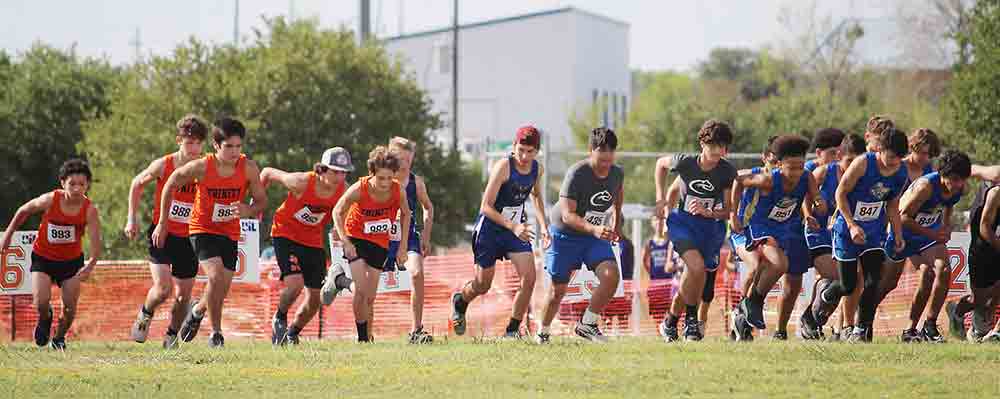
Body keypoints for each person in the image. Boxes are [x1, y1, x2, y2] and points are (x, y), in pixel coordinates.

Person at [153, 117, 269, 348]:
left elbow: (261, 200)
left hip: (230, 231)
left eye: (238, 146)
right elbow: (169, 185)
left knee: (221, 288)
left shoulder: (248, 168)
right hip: (202, 229)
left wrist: (248, 208)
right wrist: (163, 222)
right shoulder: (202, 166)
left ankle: (197, 311)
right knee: (215, 278)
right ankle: (216, 334)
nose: (234, 152)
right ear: (216, 146)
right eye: (228, 146)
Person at [808, 127, 910, 342]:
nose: (893, 163)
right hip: (847, 231)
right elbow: (840, 193)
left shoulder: (901, 172)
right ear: (880, 149)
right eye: (890, 157)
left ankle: (861, 330)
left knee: (874, 280)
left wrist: (897, 233)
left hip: (873, 233)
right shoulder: (863, 163)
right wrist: (852, 225)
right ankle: (825, 296)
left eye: (898, 158)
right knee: (848, 285)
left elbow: (892, 203)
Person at [453, 127, 549, 339]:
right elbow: (485, 206)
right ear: (514, 147)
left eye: (530, 152)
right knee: (482, 285)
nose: (524, 156)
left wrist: (544, 226)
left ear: (537, 151)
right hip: (490, 229)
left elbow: (536, 195)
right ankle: (460, 301)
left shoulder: (537, 169)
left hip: (515, 231)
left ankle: (512, 331)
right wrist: (513, 226)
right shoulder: (504, 167)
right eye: (521, 150)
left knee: (530, 277)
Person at [125, 115, 208, 349]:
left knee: (183, 297)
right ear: (178, 141)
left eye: (198, 143)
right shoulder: (164, 164)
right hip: (162, 232)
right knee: (163, 289)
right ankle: (145, 313)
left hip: (190, 238)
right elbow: (136, 184)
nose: (194, 148)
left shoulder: (204, 168)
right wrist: (131, 218)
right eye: (189, 142)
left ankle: (171, 336)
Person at [1, 159, 102, 350]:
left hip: (71, 263)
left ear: (88, 185)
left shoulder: (90, 210)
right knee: (40, 302)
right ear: (62, 183)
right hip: (43, 258)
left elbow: (96, 241)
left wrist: (91, 264)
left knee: (70, 309)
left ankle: (59, 338)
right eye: (72, 184)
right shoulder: (51, 199)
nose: (77, 189)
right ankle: (45, 318)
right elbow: (24, 211)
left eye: (82, 184)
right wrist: (8, 234)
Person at [729, 135, 823, 341]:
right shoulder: (767, 180)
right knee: (778, 264)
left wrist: (816, 207)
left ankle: (755, 307)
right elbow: (737, 180)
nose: (796, 172)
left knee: (792, 275)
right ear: (779, 165)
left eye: (800, 166)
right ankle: (752, 303)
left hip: (789, 230)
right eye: (791, 167)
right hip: (762, 227)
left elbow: (815, 196)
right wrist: (733, 214)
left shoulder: (807, 177)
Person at [536, 127, 624, 344]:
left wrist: (617, 219)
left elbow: (618, 194)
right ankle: (543, 332)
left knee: (611, 275)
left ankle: (587, 324)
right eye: (600, 159)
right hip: (565, 235)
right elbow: (567, 215)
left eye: (609, 159)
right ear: (590, 151)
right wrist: (594, 228)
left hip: (592, 237)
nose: (605, 165)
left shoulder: (617, 173)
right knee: (557, 291)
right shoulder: (577, 173)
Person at [654, 119, 737, 342]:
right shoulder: (685, 162)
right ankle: (691, 321)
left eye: (723, 146)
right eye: (713, 145)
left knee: (695, 275)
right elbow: (660, 165)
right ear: (702, 143)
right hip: (682, 223)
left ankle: (670, 321)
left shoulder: (727, 171)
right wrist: (660, 199)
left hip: (711, 229)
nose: (718, 151)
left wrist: (708, 212)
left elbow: (729, 210)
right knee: (696, 267)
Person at [262, 147, 353, 345]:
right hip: (285, 233)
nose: (339, 177)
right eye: (335, 171)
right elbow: (267, 172)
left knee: (315, 299)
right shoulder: (301, 181)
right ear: (322, 169)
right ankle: (279, 316)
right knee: (295, 284)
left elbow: (348, 212)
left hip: (312, 240)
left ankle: (293, 333)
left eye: (344, 172)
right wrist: (257, 203)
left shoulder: (344, 190)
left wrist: (341, 229)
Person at [884, 149, 970, 342]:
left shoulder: (959, 188)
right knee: (886, 285)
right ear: (942, 175)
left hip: (927, 233)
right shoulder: (926, 187)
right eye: (954, 179)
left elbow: (949, 204)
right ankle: (860, 323)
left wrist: (946, 226)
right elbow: (903, 217)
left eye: (962, 179)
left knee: (942, 269)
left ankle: (926, 326)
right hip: (902, 232)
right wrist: (933, 233)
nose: (958, 184)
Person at [332, 146, 411, 343]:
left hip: (379, 242)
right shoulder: (360, 188)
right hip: (356, 238)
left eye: (389, 178)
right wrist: (345, 241)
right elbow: (337, 211)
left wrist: (402, 247)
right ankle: (362, 339)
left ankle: (340, 281)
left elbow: (407, 214)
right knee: (361, 290)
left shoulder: (397, 190)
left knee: (370, 297)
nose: (384, 183)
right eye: (380, 178)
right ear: (372, 173)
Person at [801, 134, 866, 340]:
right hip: (818, 232)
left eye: (856, 162)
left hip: (840, 234)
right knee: (835, 278)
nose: (851, 166)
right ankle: (810, 318)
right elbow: (805, 193)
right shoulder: (823, 172)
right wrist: (808, 213)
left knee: (844, 281)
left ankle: (826, 325)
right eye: (848, 161)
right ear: (840, 157)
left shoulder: (860, 177)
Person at [384, 137, 436, 344]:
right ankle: (364, 333)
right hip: (382, 235)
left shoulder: (417, 183)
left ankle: (416, 330)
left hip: (409, 235)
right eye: (400, 158)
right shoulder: (381, 179)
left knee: (417, 273)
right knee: (371, 282)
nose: (404, 163)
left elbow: (428, 207)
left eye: (408, 159)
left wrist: (426, 235)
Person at [962, 181, 1000, 341]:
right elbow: (984, 227)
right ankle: (958, 313)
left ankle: (996, 330)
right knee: (978, 299)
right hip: (983, 248)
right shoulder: (995, 193)